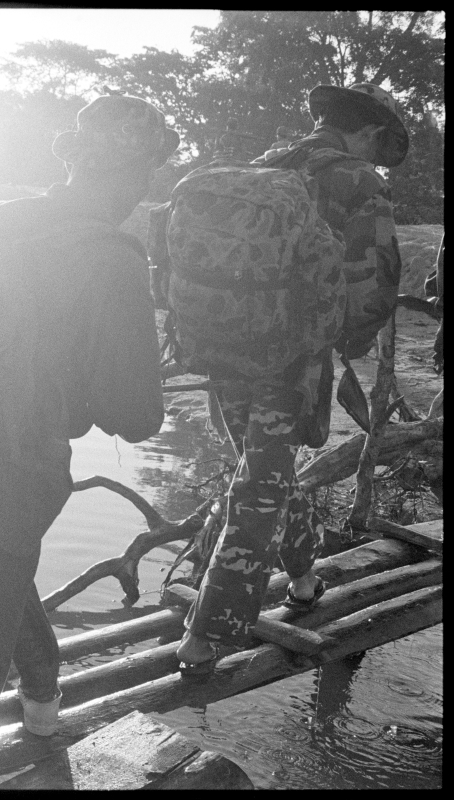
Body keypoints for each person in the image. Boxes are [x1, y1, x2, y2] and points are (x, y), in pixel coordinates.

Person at [0, 94, 171, 789]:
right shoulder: (111, 259)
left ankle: (40, 696)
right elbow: (137, 415)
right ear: (137, 175)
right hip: (10, 470)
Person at [174, 83, 409, 676]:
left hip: (224, 342)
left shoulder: (266, 164)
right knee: (261, 484)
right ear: (368, 133)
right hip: (289, 357)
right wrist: (347, 343)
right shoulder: (357, 180)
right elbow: (375, 278)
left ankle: (303, 580)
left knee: (262, 466)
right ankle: (205, 637)